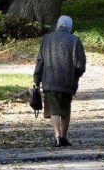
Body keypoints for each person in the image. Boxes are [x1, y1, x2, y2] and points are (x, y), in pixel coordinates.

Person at [34, 15, 86, 147]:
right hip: (68, 81)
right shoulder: (75, 40)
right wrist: (76, 76)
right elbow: (80, 64)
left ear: (57, 25)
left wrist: (37, 79)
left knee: (54, 110)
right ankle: (64, 136)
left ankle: (57, 136)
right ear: (70, 27)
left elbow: (40, 60)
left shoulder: (46, 39)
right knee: (65, 108)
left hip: (50, 80)